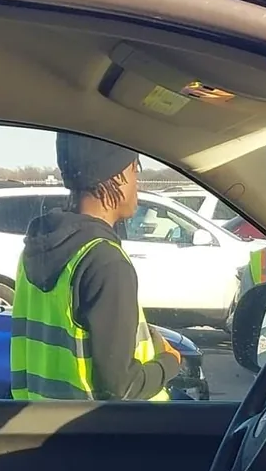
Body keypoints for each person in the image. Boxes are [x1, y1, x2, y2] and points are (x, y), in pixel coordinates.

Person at [10, 132, 182, 400]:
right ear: (117, 176)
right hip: (97, 424)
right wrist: (169, 362)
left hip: (43, 419)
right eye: (135, 170)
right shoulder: (106, 262)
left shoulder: (34, 249)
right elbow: (121, 388)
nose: (137, 183)